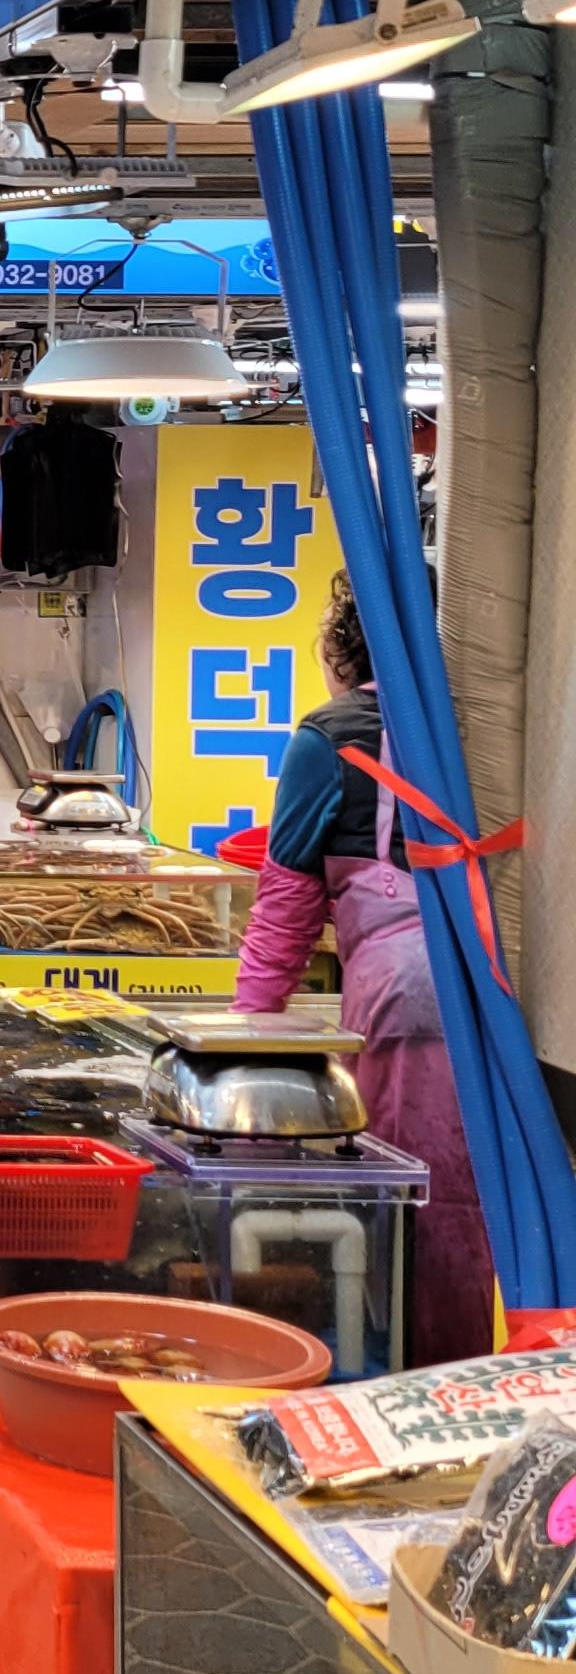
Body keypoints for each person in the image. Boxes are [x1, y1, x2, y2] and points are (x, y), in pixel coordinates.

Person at [234, 575, 495, 1363]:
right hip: (505, 985)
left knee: (413, 1197)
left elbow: (285, 910)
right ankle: (493, 1376)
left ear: (339, 651)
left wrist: (246, 1032)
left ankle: (420, 1375)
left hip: (407, 995)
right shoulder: (485, 724)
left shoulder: (331, 734)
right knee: (490, 1200)